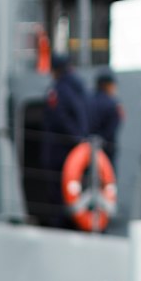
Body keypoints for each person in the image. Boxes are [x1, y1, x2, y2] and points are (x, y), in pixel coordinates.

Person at [40, 54, 89, 226]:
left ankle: (59, 225)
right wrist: (80, 140)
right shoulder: (80, 88)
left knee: (57, 194)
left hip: (58, 153)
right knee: (74, 190)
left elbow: (59, 118)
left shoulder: (58, 90)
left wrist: (75, 138)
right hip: (76, 154)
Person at [87, 69, 124, 167]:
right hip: (107, 152)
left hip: (86, 150)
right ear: (107, 85)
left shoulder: (88, 100)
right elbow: (111, 130)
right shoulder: (113, 105)